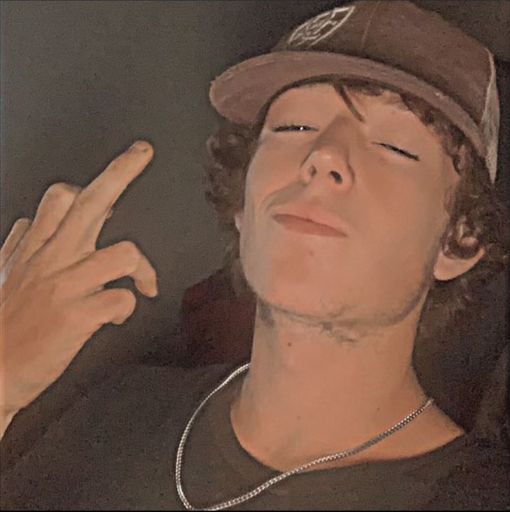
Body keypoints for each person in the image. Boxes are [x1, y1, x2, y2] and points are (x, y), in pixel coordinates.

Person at [1, 0, 508, 509]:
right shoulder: (117, 413)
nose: (323, 156)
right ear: (243, 203)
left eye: (394, 146)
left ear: (459, 239)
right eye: (294, 128)